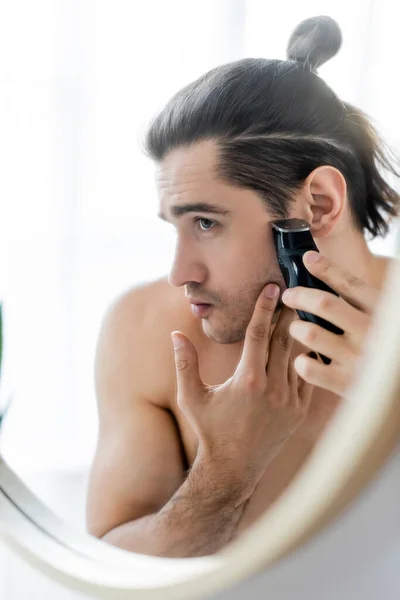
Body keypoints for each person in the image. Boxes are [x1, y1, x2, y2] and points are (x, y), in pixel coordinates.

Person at [85, 16, 399, 558]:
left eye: (206, 223)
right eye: (176, 226)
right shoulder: (146, 332)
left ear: (318, 205)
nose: (180, 273)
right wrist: (228, 469)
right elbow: (112, 567)